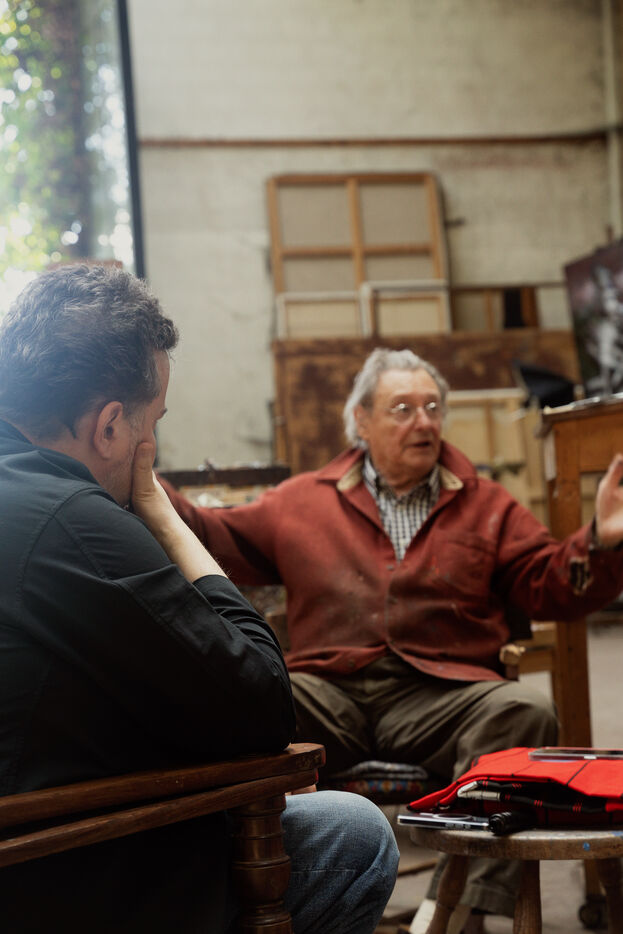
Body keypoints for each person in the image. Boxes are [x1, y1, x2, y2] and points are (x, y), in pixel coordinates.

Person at [161, 346, 623, 933]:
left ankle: (456, 907)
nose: (423, 422)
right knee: (241, 699)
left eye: (432, 408)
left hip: (442, 692)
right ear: (362, 421)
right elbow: (208, 534)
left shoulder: (485, 504)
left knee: (524, 709)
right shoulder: (302, 500)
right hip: (328, 689)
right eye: (402, 408)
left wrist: (603, 540)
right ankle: (256, 893)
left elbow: (550, 583)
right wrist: (143, 478)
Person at [0, 264, 399, 934]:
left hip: (35, 821)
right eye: (153, 422)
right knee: (352, 835)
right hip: (47, 870)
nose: (150, 445)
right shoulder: (73, 519)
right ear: (109, 428)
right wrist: (159, 512)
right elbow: (264, 703)